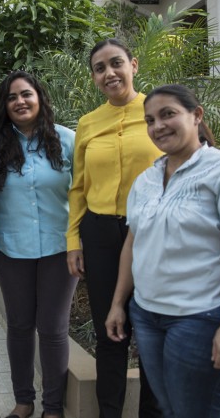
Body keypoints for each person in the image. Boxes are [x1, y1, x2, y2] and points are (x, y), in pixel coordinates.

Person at [105, 84, 220, 418]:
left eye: (168, 114)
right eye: (150, 120)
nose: (158, 126)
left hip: (202, 317)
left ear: (196, 116)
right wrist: (119, 304)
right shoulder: (146, 179)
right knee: (170, 408)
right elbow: (133, 244)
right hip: (148, 316)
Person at [65, 38, 162, 418]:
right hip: (101, 234)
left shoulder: (158, 112)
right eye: (100, 68)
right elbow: (78, 187)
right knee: (111, 332)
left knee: (153, 332)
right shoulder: (89, 123)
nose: (109, 73)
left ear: (133, 65)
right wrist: (74, 240)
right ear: (93, 78)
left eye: (116, 63)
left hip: (154, 234)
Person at [0, 70, 77, 418]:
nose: (20, 102)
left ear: (40, 98)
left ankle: (52, 408)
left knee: (53, 329)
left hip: (60, 250)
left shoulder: (67, 140)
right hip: (11, 249)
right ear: (3, 106)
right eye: (11, 97)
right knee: (20, 327)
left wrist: (78, 239)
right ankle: (24, 402)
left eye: (26, 94)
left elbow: (80, 194)